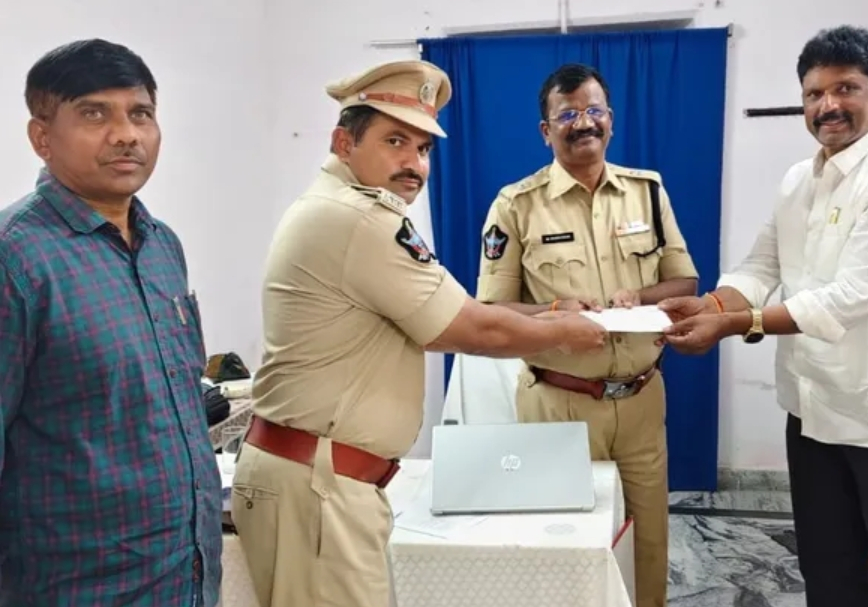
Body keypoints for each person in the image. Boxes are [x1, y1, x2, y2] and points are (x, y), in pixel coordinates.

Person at [230, 59, 608, 607]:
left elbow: (452, 319)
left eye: (424, 148)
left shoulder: (339, 208)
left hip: (322, 480)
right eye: (395, 142)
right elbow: (470, 327)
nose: (414, 164)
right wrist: (563, 333)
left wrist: (551, 314)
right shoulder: (360, 219)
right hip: (318, 487)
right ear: (343, 142)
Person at [659, 25, 868, 607]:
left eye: (845, 88)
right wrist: (713, 304)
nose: (828, 105)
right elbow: (763, 262)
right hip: (809, 409)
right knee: (828, 567)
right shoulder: (798, 179)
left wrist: (738, 324)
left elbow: (849, 296)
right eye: (814, 93)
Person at [0, 39, 222, 606]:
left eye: (140, 113)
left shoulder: (163, 246)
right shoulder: (16, 258)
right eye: (95, 114)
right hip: (76, 586)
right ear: (42, 137)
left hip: (185, 574)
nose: (126, 134)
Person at [475, 63, 698, 607]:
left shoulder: (648, 192)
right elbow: (492, 310)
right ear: (545, 130)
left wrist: (638, 296)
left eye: (594, 110)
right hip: (559, 403)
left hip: (642, 397)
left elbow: (685, 282)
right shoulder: (516, 205)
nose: (583, 123)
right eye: (568, 114)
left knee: (648, 540)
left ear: (611, 120)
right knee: (564, 542)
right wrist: (555, 313)